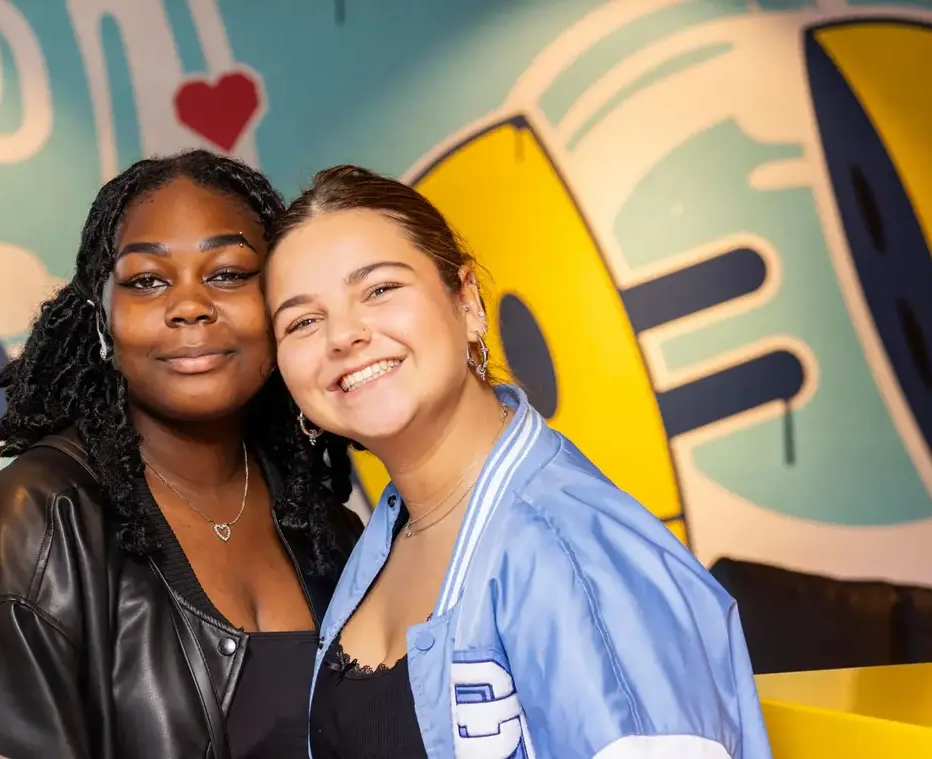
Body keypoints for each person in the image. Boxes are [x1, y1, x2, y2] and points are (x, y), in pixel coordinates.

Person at [264, 164, 772, 759]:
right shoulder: (390, 532)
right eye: (303, 321)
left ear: (467, 301)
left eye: (379, 290)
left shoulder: (573, 546)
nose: (343, 336)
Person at [0, 150, 362, 759]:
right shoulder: (33, 526)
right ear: (102, 321)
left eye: (228, 273)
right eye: (147, 281)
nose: (189, 305)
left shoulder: (328, 528)